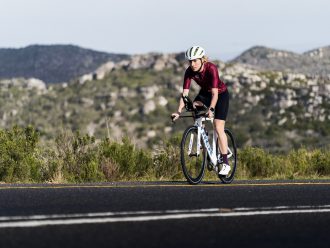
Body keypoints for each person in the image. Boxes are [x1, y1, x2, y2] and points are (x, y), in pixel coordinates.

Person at [171, 45, 230, 175]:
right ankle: (202, 133)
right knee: (193, 106)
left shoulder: (211, 68)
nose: (192, 64)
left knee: (218, 126)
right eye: (190, 61)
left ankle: (225, 162)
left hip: (220, 95)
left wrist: (211, 109)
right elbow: (184, 95)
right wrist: (178, 111)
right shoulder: (189, 71)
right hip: (205, 94)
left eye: (195, 60)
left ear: (202, 59)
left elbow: (215, 94)